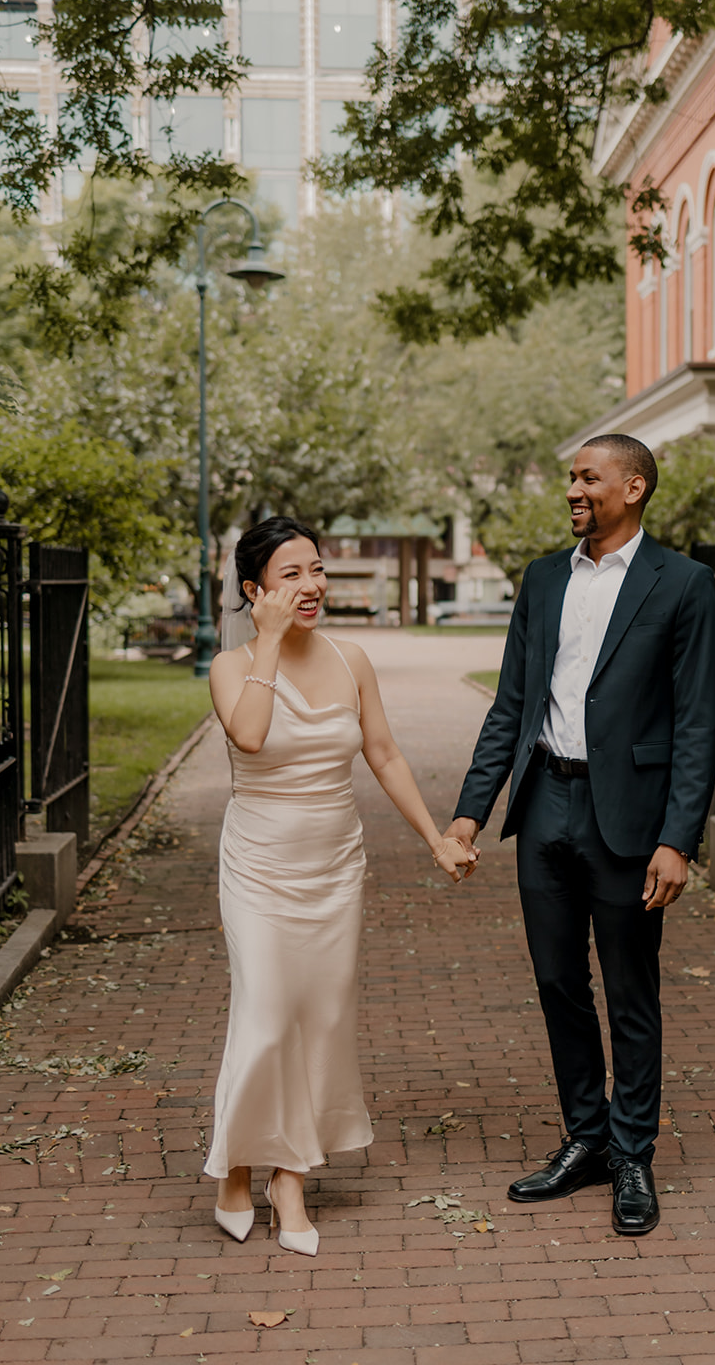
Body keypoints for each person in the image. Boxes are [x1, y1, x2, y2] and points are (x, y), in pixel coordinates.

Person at [444, 434, 715, 1236]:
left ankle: (632, 1152)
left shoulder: (685, 584)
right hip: (544, 808)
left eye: (586, 477)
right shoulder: (541, 579)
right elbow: (509, 708)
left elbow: (697, 722)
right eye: (569, 477)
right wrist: (470, 812)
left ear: (631, 488)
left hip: (628, 819)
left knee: (631, 991)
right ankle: (585, 1139)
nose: (572, 489)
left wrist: (678, 838)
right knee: (557, 982)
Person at [204, 516, 476, 1255]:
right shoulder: (231, 666)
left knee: (319, 1019)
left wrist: (435, 839)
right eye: (290, 575)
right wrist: (264, 641)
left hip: (334, 863)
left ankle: (288, 1174)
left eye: (316, 570)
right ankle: (235, 1163)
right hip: (259, 862)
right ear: (255, 590)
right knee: (265, 1014)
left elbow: (383, 754)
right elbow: (251, 735)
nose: (312, 585)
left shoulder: (351, 658)